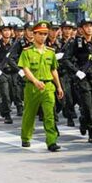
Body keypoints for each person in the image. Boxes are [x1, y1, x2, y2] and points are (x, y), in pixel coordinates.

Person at [17, 21, 64, 151]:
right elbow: (25, 69)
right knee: (29, 114)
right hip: (32, 87)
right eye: (40, 34)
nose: (43, 36)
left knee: (50, 115)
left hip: (48, 86)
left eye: (45, 34)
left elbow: (54, 70)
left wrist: (59, 86)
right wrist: (35, 81)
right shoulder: (27, 52)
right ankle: (26, 137)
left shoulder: (50, 52)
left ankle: (51, 141)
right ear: (34, 34)